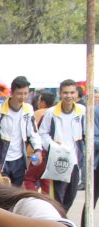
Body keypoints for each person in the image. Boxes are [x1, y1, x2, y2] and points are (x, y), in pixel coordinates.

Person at [28, 79, 85, 211]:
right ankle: (61, 222)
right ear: (60, 94)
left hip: (75, 161)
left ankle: (62, 218)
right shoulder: (51, 113)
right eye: (65, 92)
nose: (69, 96)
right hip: (57, 161)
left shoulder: (82, 111)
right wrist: (53, 146)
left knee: (70, 196)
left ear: (77, 94)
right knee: (58, 197)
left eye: (72, 92)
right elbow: (42, 134)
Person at [0, 76, 43, 186]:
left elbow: (33, 132)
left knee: (16, 191)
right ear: (12, 93)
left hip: (19, 160)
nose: (23, 97)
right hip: (1, 159)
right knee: (3, 191)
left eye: (26, 93)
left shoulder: (28, 109)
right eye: (19, 93)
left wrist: (38, 149)